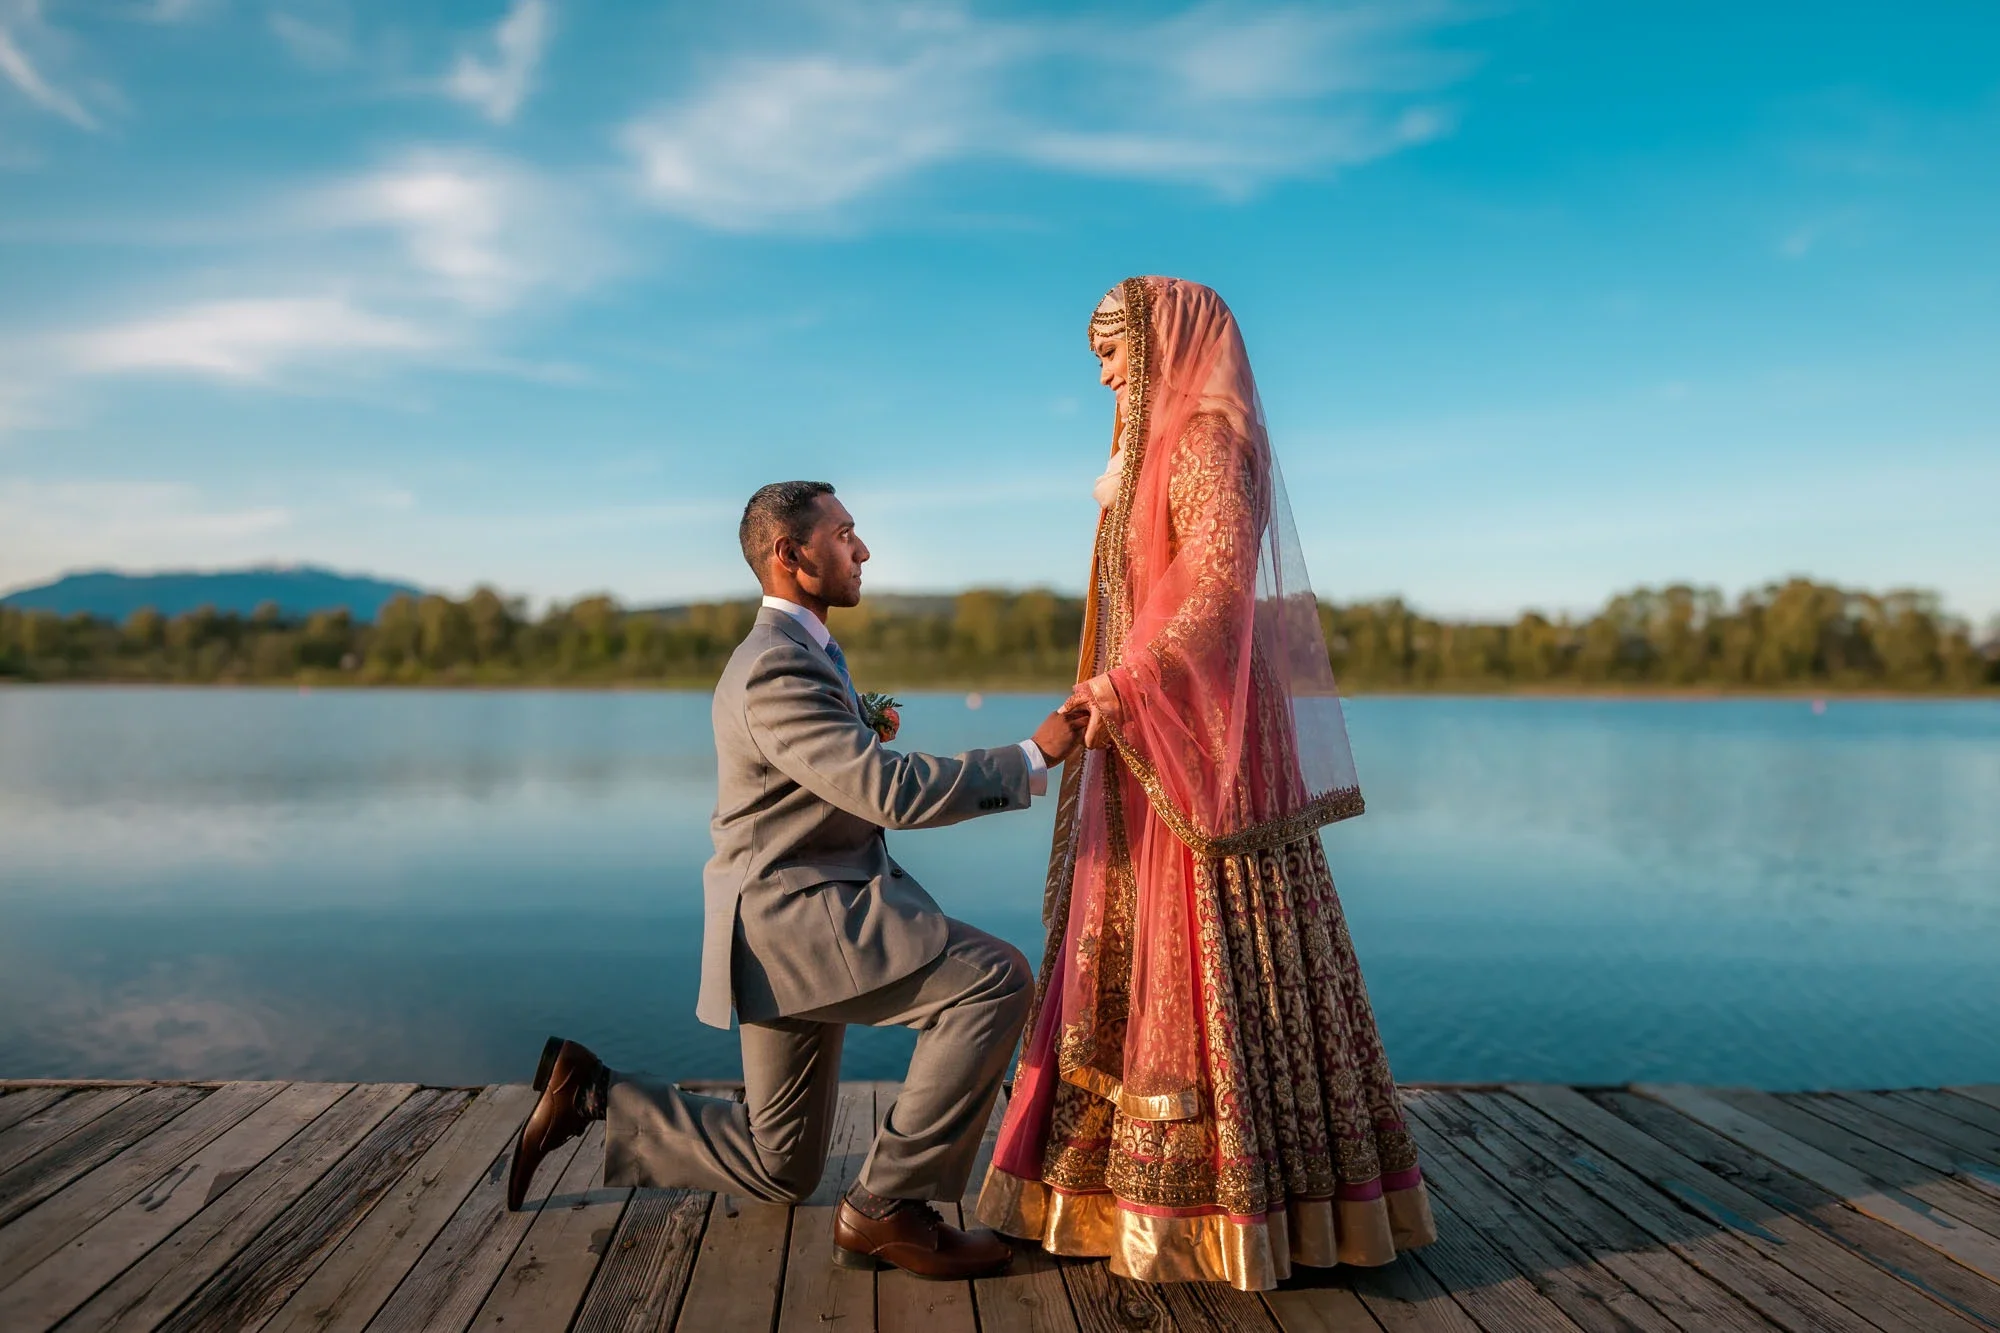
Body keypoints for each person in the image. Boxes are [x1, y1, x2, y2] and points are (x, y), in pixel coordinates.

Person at [976, 277, 1437, 1291]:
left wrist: (1120, 684)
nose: (1102, 377)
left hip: (1196, 727)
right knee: (1135, 936)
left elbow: (1218, 596)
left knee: (1205, 934)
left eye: (1111, 355)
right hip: (1163, 719)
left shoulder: (1205, 442)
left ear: (1159, 347)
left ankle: (1225, 1203)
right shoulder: (1161, 447)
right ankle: (1115, 1186)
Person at [509, 480, 1084, 1281]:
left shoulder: (804, 653)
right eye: (846, 533)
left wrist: (867, 725)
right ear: (792, 554)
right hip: (801, 924)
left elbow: (837, 784)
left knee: (781, 1165)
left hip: (790, 929)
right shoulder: (776, 667)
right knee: (993, 980)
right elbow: (885, 790)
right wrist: (1031, 756)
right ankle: (887, 1208)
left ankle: (594, 1093)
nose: (863, 549)